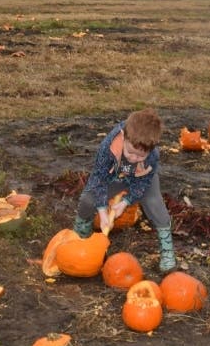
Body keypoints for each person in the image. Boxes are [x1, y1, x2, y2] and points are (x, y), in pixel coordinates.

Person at [73, 107, 177, 272]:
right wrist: (102, 210)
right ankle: (81, 237)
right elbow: (98, 178)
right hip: (114, 176)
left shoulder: (153, 156)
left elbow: (143, 183)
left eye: (140, 156)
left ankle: (167, 251)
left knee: (155, 204)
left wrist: (125, 202)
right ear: (124, 137)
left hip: (140, 178)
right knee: (88, 199)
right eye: (130, 152)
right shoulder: (108, 146)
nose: (134, 158)